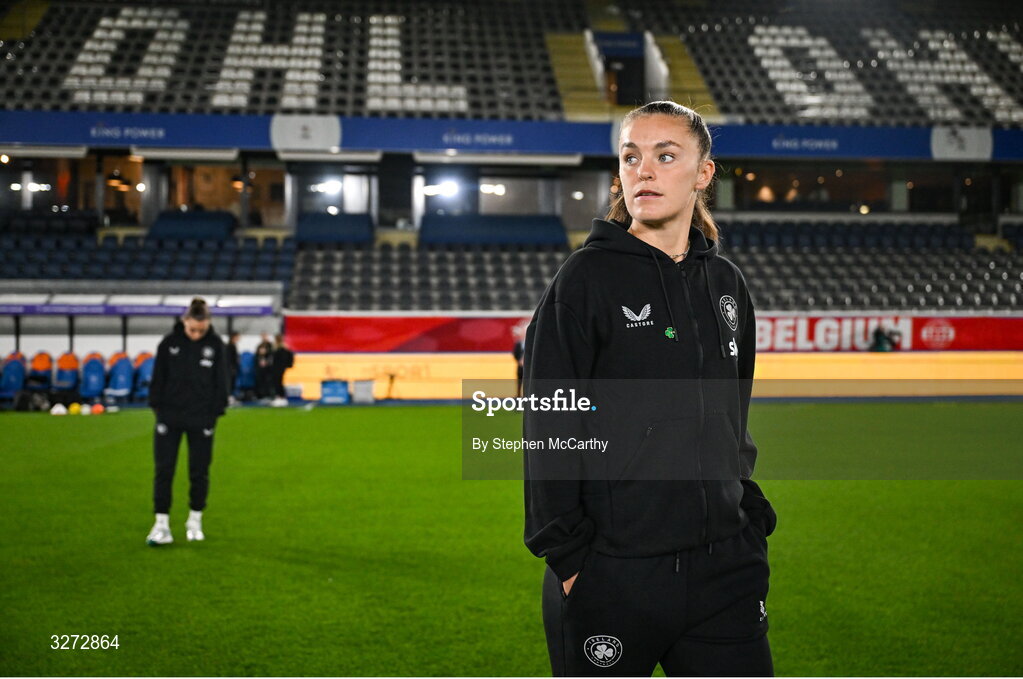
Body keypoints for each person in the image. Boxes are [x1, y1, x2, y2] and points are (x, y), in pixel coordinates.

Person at [523, 101, 777, 676]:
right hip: (614, 574)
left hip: (726, 571)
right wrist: (570, 557)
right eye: (632, 157)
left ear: (703, 173)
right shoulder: (584, 280)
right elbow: (547, 424)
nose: (645, 170)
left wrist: (749, 515)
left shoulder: (727, 284)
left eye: (666, 156)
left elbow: (733, 415)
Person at [145, 297, 229, 546]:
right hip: (169, 417)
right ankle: (161, 524)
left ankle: (195, 520)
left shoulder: (216, 346)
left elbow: (222, 382)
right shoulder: (169, 344)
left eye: (201, 330)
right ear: (184, 322)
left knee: (199, 472)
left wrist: (214, 414)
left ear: (208, 324)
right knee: (164, 471)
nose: (195, 334)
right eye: (192, 329)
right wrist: (158, 409)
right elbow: (158, 378)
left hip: (201, 419)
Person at [271, 333, 294, 405]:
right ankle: (279, 397)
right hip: (277, 368)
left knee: (279, 382)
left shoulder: (282, 348)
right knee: (277, 382)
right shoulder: (277, 347)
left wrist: (286, 365)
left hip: (279, 368)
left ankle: (282, 397)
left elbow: (285, 358)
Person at [255, 333, 275, 400]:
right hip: (260, 369)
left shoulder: (270, 345)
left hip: (268, 369)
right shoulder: (259, 345)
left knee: (268, 382)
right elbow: (257, 356)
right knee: (261, 382)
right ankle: (261, 396)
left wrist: (267, 362)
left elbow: (272, 356)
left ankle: (269, 395)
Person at [225, 332, 240, 403]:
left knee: (232, 382)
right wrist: (232, 367)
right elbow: (230, 358)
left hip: (231, 368)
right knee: (230, 383)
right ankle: (229, 397)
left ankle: (230, 396)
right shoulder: (230, 346)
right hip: (230, 368)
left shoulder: (232, 345)